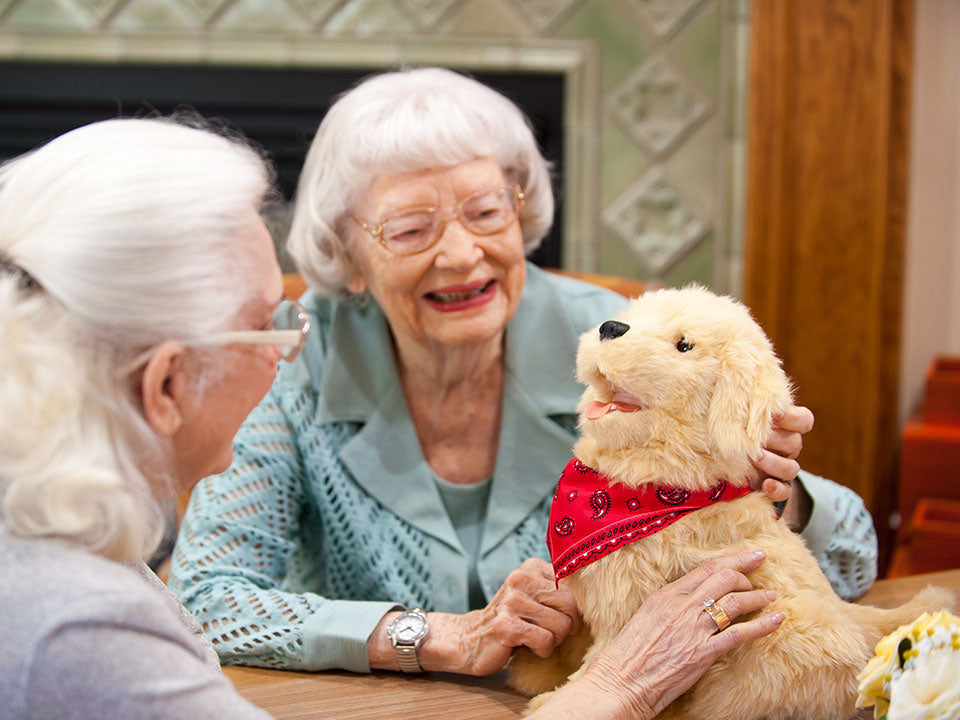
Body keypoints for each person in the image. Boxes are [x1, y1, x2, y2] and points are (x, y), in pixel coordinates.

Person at [0, 118, 784, 720]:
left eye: (486, 211)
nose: (287, 347)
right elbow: (212, 601)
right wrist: (616, 689)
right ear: (166, 384)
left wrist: (766, 477)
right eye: (267, 321)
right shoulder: (79, 629)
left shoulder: (63, 538)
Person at [170, 67, 877, 677]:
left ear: (519, 206)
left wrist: (774, 496)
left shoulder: (619, 341)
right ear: (346, 252)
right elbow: (203, 602)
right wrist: (431, 636)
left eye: (484, 212)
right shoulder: (299, 358)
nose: (461, 255)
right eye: (412, 230)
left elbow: (853, 557)